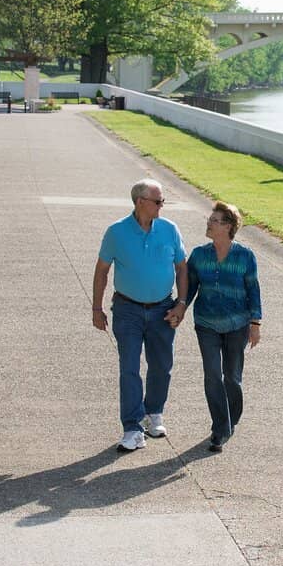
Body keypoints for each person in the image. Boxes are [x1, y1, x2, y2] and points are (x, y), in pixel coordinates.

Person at [93, 178, 189, 452]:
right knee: (130, 369)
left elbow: (182, 268)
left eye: (162, 201)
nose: (162, 205)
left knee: (161, 366)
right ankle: (133, 428)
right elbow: (102, 270)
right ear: (140, 202)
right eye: (158, 201)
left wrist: (181, 303)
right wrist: (96, 308)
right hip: (127, 310)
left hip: (163, 308)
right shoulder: (116, 232)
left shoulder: (169, 229)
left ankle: (154, 412)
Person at [185, 201, 262, 452]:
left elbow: (253, 289)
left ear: (228, 226)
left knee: (232, 378)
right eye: (210, 219)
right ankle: (220, 428)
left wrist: (255, 323)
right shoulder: (198, 255)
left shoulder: (245, 256)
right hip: (206, 323)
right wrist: (179, 309)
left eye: (214, 220)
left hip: (237, 325)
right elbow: (189, 288)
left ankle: (231, 418)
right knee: (212, 376)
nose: (208, 222)